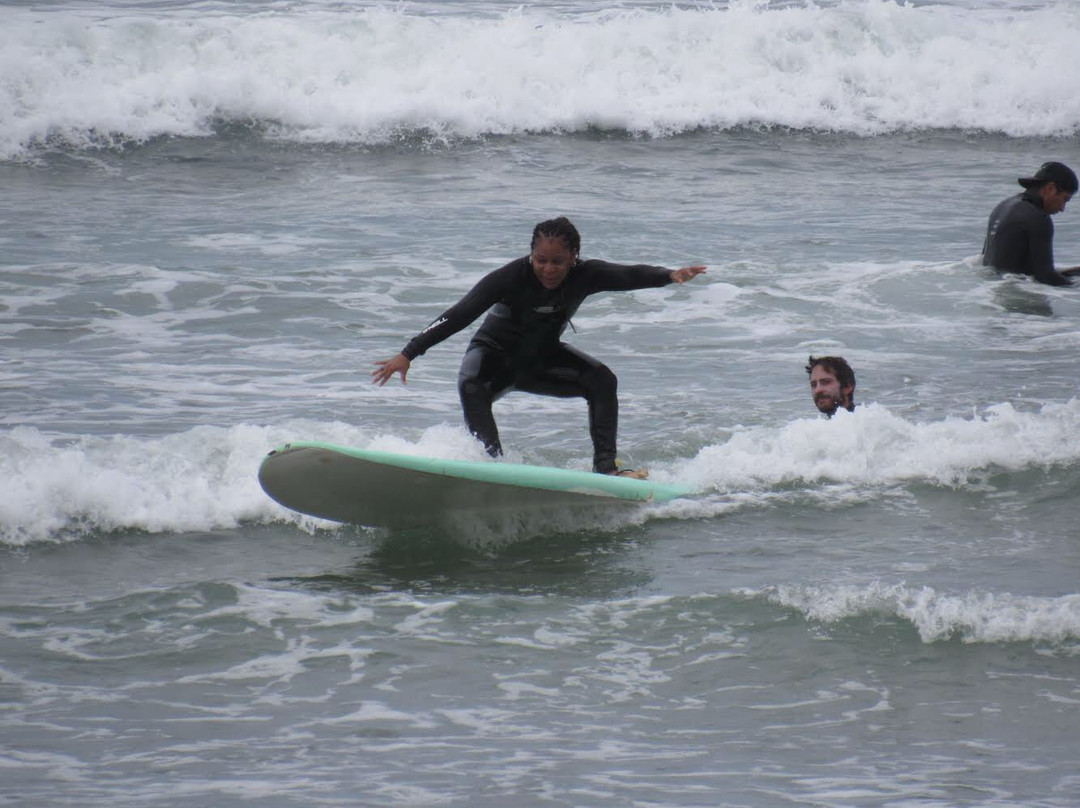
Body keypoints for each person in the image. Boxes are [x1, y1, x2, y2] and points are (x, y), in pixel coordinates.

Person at [372, 216, 706, 477]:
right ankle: (491, 471)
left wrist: (668, 275)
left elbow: (629, 275)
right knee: (473, 387)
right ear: (531, 254)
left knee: (602, 380)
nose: (548, 269)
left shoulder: (586, 275)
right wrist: (409, 353)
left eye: (557, 262)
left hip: (541, 361)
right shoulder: (509, 277)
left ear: (573, 258)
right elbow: (460, 314)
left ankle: (607, 469)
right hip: (492, 359)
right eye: (540, 260)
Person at [982, 161, 1080, 286]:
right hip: (1018, 297)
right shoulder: (1038, 218)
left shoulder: (1002, 207)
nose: (1062, 208)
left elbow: (991, 261)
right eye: (1065, 199)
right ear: (1050, 188)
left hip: (992, 292)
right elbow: (1046, 277)